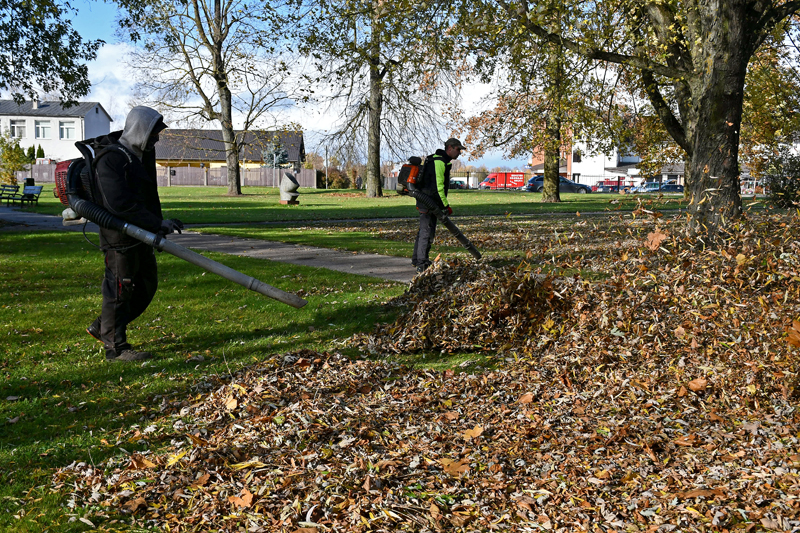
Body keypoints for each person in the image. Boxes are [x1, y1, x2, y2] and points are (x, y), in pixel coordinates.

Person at [83, 106, 184, 362]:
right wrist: (154, 224)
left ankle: (102, 327)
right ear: (141, 130)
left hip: (142, 234)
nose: (157, 139)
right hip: (119, 237)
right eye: (154, 133)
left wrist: (161, 223)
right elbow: (119, 204)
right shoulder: (111, 158)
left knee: (146, 286)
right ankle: (114, 348)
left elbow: (150, 197)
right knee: (120, 291)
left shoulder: (141, 155)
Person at [411, 137, 465, 272]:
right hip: (429, 201)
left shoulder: (437, 159)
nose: (459, 152)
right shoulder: (439, 162)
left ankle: (417, 260)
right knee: (427, 232)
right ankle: (422, 263)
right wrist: (446, 206)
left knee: (424, 231)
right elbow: (438, 187)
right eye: (458, 149)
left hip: (426, 200)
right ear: (450, 148)